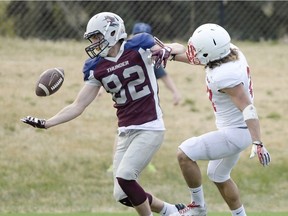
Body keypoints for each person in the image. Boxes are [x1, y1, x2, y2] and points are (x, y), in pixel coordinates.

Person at [21, 12, 187, 216]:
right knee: (122, 194)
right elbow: (78, 105)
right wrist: (47, 123)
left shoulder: (139, 45)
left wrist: (168, 50)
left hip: (150, 126)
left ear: (112, 31)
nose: (94, 43)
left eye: (97, 37)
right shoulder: (96, 67)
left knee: (126, 177)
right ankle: (173, 211)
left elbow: (178, 47)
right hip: (124, 132)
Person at [169, 23, 271, 216]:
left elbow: (248, 108)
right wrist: (170, 53)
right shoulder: (230, 50)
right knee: (218, 174)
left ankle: (197, 207)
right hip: (237, 131)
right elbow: (199, 57)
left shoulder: (223, 76)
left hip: (236, 133)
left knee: (184, 154)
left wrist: (258, 141)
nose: (193, 52)